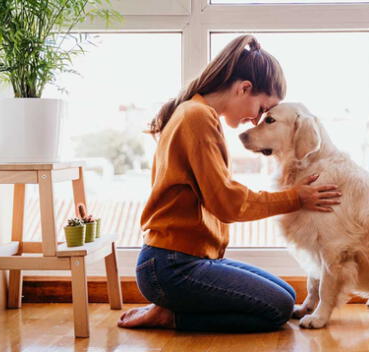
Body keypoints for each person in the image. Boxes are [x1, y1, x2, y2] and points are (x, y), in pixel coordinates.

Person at [117, 34, 342, 332]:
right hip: (171, 266)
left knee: (287, 297)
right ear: (244, 88)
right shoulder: (197, 117)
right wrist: (296, 198)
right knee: (276, 309)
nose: (256, 121)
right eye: (262, 109)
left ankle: (173, 305)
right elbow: (227, 203)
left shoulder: (195, 112)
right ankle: (172, 315)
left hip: (185, 260)